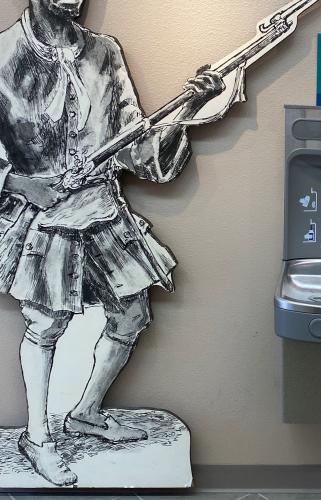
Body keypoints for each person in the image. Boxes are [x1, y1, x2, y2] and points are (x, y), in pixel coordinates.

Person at [0, 0, 225, 486]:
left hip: (103, 208)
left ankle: (84, 412)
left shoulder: (104, 52)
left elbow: (136, 144)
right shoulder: (1, 55)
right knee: (45, 323)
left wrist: (189, 107)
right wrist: (20, 184)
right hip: (44, 216)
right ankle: (37, 437)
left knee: (132, 314)